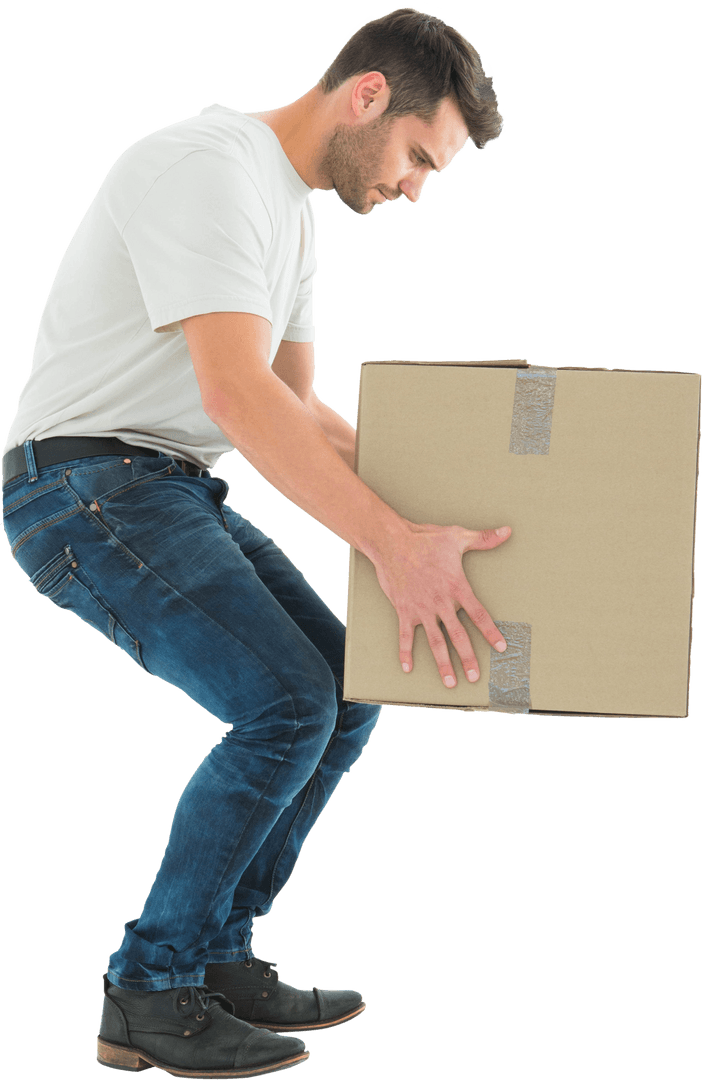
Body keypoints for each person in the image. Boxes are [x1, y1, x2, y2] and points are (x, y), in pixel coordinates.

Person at [1, 7, 508, 1078]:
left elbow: (298, 405)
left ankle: (216, 958)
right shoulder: (207, 167)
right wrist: (389, 547)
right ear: (367, 93)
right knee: (285, 704)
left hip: (163, 488)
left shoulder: (291, 216)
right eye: (421, 157)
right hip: (84, 488)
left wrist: (444, 509)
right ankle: (149, 985)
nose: (417, 187)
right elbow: (235, 396)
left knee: (346, 686)